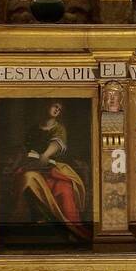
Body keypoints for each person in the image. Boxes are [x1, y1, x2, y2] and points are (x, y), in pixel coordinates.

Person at [11, 101, 87, 237]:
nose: (57, 110)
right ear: (46, 106)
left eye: (59, 109)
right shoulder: (34, 129)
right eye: (55, 106)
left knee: (64, 187)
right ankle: (37, 221)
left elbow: (57, 143)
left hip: (52, 167)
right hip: (31, 165)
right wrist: (17, 164)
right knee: (27, 179)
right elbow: (23, 149)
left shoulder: (59, 128)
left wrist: (45, 155)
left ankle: (69, 229)